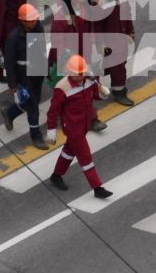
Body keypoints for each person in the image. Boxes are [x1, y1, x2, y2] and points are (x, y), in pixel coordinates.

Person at [46, 54, 113, 199]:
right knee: (85, 156)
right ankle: (97, 188)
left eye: (82, 72)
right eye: (78, 73)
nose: (81, 76)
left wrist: (102, 94)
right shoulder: (62, 88)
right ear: (70, 72)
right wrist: (51, 130)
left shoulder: (89, 80)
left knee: (69, 151)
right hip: (73, 128)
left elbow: (94, 95)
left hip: (84, 124)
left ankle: (56, 175)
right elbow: (53, 111)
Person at [49, 0, 108, 131]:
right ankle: (60, 117)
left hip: (84, 53)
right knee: (69, 91)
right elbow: (57, 42)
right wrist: (67, 59)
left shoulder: (86, 6)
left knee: (86, 87)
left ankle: (92, 118)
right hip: (70, 60)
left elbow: (96, 21)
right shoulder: (62, 15)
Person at [1, 3, 51, 150]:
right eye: (30, 20)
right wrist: (13, 85)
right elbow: (9, 63)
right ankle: (36, 136)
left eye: (35, 19)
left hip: (37, 73)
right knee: (33, 106)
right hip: (24, 77)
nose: (34, 22)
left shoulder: (38, 28)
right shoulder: (13, 39)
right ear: (22, 21)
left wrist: (45, 69)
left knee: (32, 101)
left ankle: (9, 113)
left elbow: (42, 48)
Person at [93, 0, 137, 105]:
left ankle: (108, 72)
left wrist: (130, 31)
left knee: (121, 63)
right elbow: (97, 25)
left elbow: (127, 13)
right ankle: (119, 92)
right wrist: (101, 44)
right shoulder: (99, 0)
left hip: (122, 37)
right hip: (111, 41)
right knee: (118, 68)